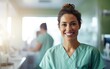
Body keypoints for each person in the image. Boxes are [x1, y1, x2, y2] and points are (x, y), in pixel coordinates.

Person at [39, 3, 105, 69]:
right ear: (59, 27)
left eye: (73, 24)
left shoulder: (92, 53)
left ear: (79, 25)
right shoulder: (50, 54)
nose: (68, 29)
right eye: (64, 24)